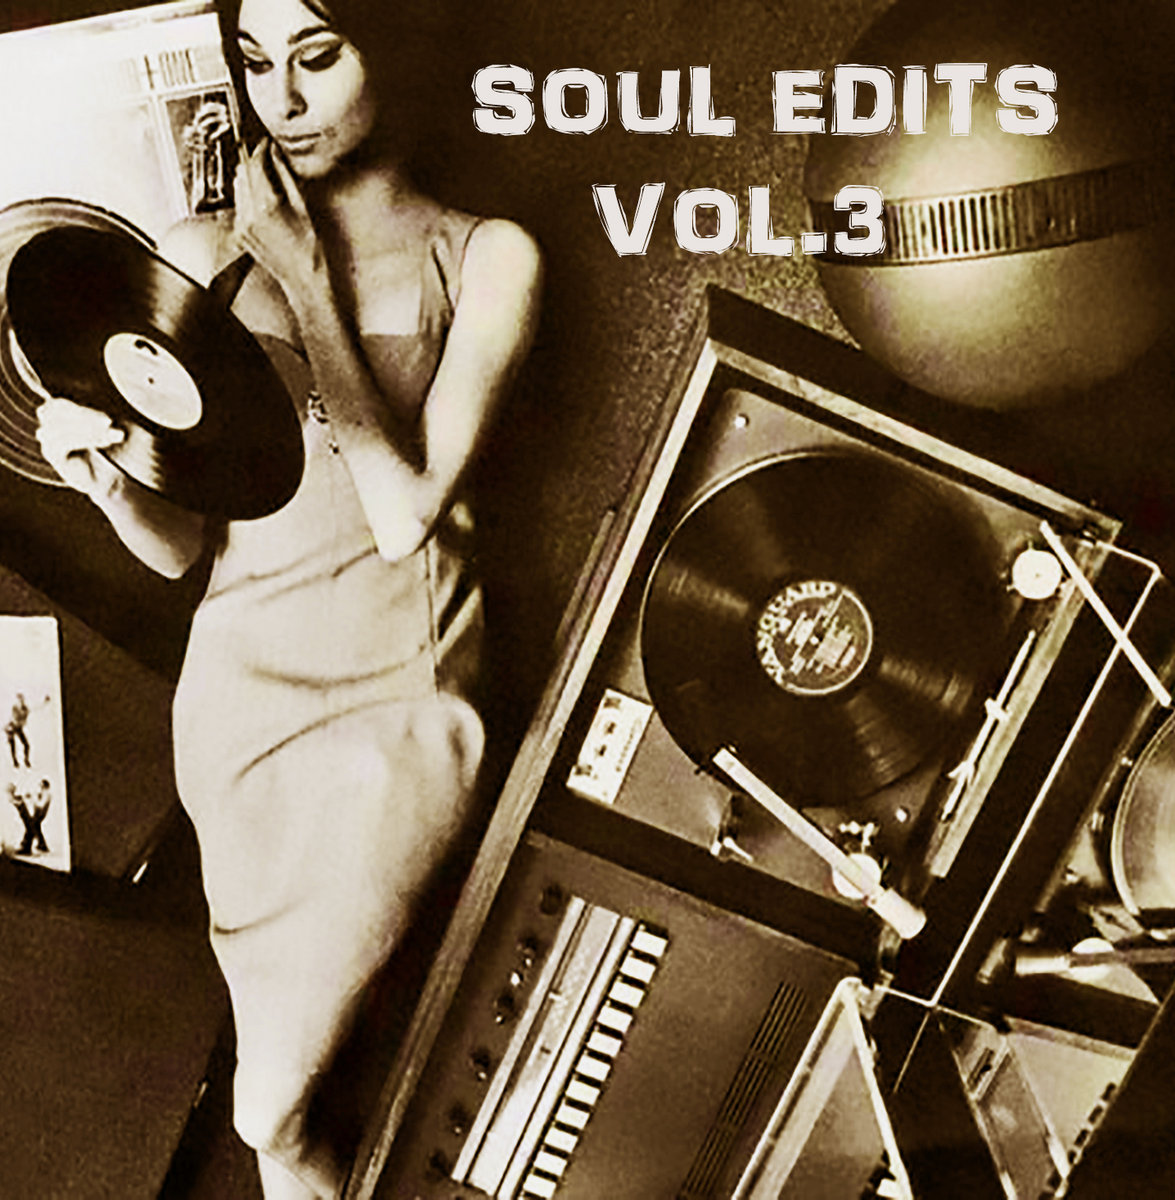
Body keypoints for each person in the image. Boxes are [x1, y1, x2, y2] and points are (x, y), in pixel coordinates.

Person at [35, 0, 542, 1195]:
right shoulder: (198, 250)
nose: (284, 99)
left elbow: (404, 514)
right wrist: (109, 481)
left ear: (395, 46)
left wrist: (311, 287)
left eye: (317, 57)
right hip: (239, 707)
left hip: (395, 704)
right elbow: (180, 553)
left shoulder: (487, 257)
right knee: (287, 1123)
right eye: (255, 63)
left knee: (266, 1105)